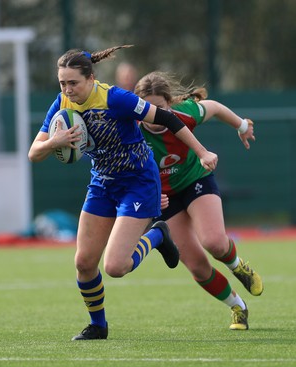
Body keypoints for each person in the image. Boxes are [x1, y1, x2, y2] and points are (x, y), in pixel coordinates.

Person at [28, 46, 218, 340]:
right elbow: (33, 153)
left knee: (115, 267)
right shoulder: (62, 103)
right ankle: (98, 326)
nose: (67, 89)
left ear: (90, 78)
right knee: (83, 263)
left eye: (73, 83)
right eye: (62, 83)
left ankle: (157, 235)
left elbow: (167, 118)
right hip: (102, 183)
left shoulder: (116, 98)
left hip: (138, 181)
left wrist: (202, 152)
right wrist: (56, 141)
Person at [134, 71, 264, 330]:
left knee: (214, 243)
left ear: (169, 103)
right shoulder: (131, 128)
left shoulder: (184, 113)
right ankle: (237, 306)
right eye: (146, 108)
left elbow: (213, 107)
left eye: (158, 108)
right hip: (165, 198)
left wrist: (241, 126)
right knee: (197, 265)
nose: (153, 115)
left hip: (195, 181)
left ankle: (238, 266)